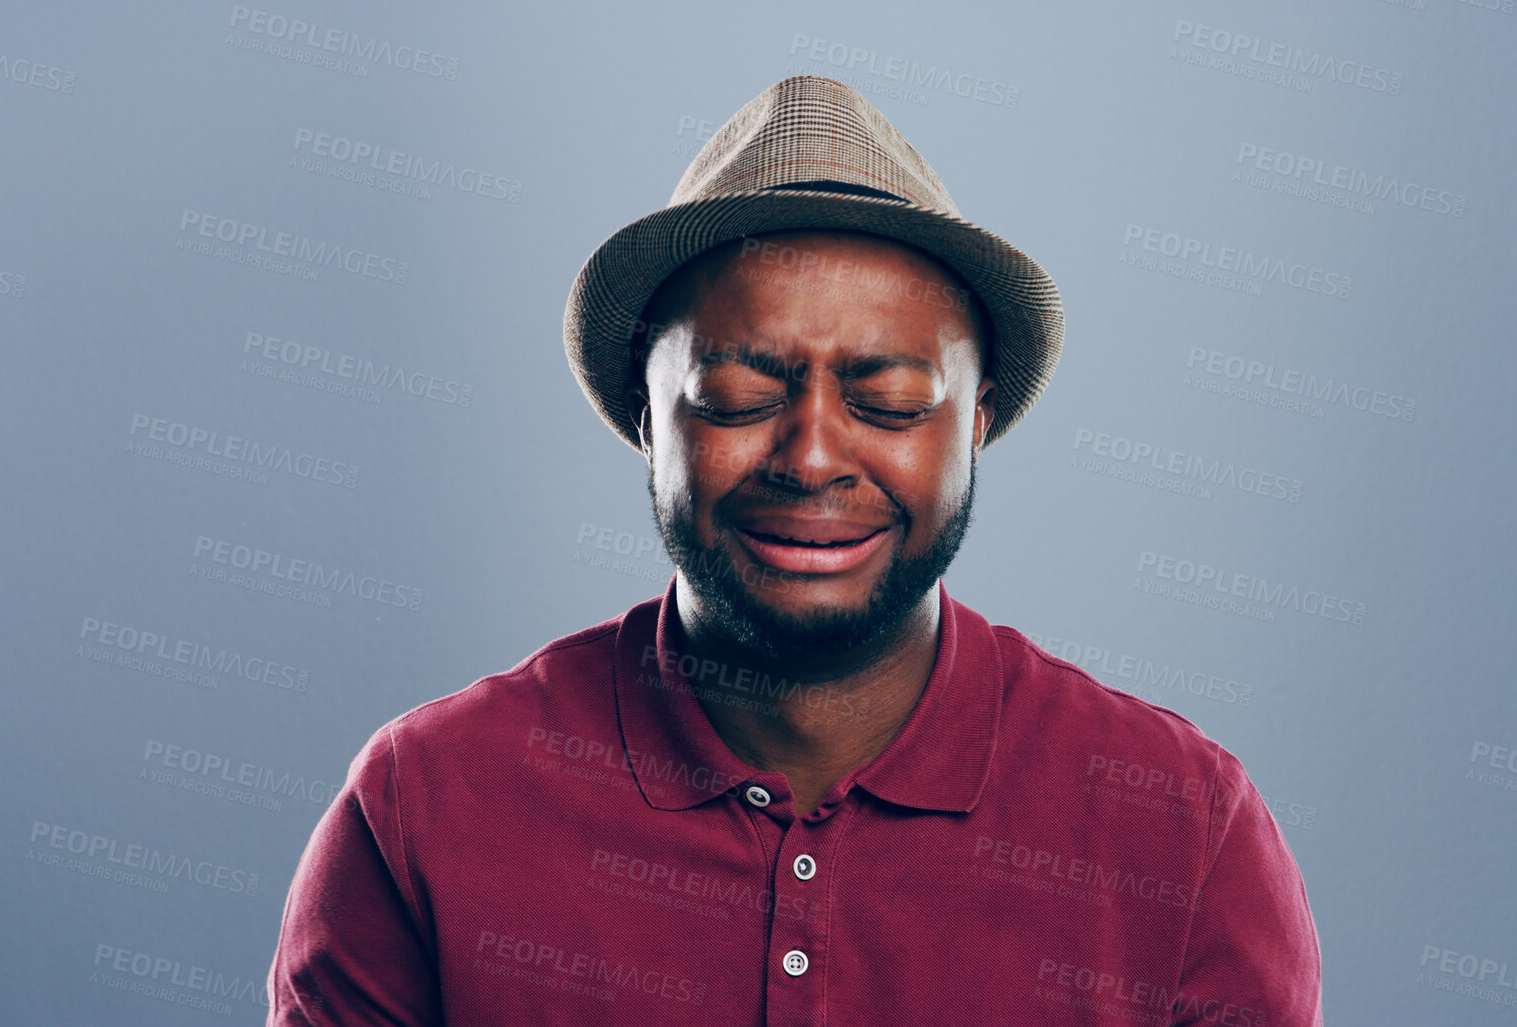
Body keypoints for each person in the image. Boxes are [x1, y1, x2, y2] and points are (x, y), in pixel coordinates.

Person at [267, 75, 1321, 1026]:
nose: (813, 457)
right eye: (739, 394)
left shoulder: (1180, 834)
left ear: (978, 424)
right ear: (648, 414)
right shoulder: (426, 807)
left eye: (890, 400)